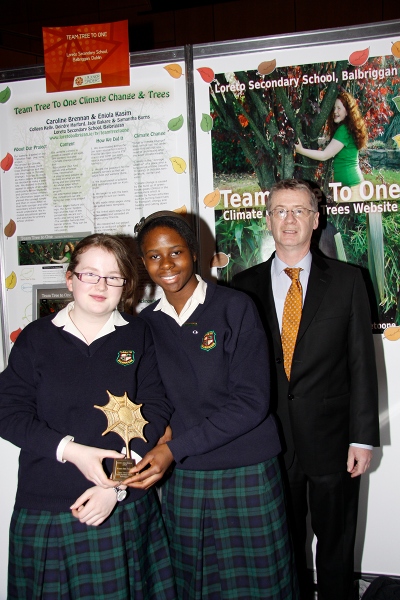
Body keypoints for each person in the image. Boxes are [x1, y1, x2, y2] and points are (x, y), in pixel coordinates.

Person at [125, 211, 299, 599]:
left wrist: (173, 448)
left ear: (195, 252)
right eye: (154, 256)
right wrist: (157, 437)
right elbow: (154, 399)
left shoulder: (235, 307)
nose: (166, 264)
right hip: (186, 477)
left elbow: (252, 403)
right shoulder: (145, 325)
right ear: (143, 263)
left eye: (176, 252)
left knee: (262, 585)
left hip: (246, 469)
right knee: (195, 584)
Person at [0, 233, 177, 600]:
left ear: (125, 284)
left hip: (121, 507)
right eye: (90, 274)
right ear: (70, 279)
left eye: (114, 276)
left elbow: (155, 413)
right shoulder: (35, 339)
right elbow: (8, 412)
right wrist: (73, 451)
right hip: (46, 508)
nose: (101, 285)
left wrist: (115, 485)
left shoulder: (139, 335)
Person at [232, 179, 380, 600]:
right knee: (282, 545)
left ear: (316, 220)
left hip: (335, 441)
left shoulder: (349, 281)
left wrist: (362, 437)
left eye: (299, 210)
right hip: (270, 441)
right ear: (268, 220)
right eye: (281, 210)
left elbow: (361, 365)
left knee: (336, 544)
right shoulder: (242, 287)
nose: (290, 219)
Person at [295, 91, 368, 201]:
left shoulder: (344, 130)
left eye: (339, 108)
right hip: (349, 187)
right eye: (334, 108)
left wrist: (301, 150)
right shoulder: (346, 128)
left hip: (352, 188)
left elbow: (325, 155)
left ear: (347, 111)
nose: (335, 112)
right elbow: (325, 141)